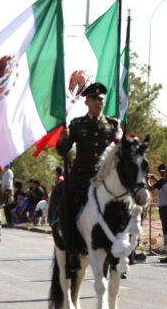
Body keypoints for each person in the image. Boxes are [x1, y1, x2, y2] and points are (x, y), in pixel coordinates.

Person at [55, 82, 121, 263]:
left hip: (105, 178)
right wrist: (62, 141)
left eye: (101, 99)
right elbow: (63, 151)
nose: (98, 102)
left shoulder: (112, 125)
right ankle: (71, 249)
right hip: (82, 176)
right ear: (87, 102)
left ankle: (125, 249)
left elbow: (120, 153)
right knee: (67, 203)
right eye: (94, 99)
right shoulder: (77, 125)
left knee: (126, 204)